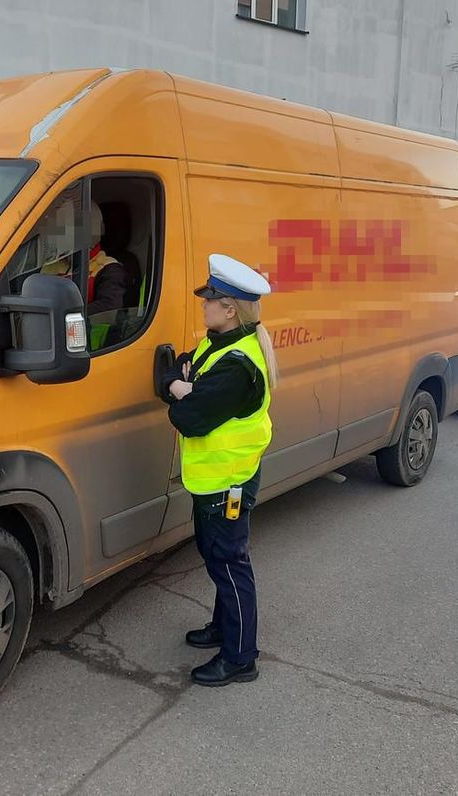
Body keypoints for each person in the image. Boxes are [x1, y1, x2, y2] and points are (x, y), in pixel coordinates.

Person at [160, 253, 279, 687]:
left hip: (227, 480)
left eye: (210, 299)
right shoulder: (219, 341)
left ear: (230, 308)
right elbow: (175, 370)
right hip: (213, 478)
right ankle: (222, 627)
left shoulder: (236, 364)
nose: (203, 305)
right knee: (216, 559)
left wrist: (180, 390)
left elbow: (188, 417)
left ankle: (241, 657)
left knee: (229, 564)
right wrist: (181, 385)